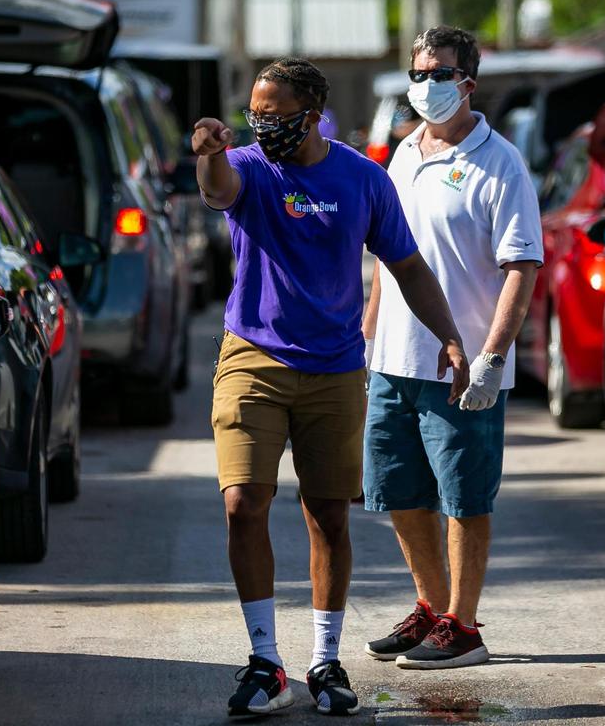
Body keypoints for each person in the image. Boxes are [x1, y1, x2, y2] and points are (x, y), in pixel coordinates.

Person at [193, 57, 469, 717]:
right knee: (242, 503)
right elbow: (217, 189)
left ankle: (324, 660)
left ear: (313, 116)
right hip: (253, 358)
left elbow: (407, 265)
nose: (262, 125)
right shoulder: (251, 167)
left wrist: (451, 337)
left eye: (277, 114)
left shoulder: (361, 178)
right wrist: (208, 154)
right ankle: (265, 661)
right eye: (255, 113)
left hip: (337, 368)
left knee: (329, 516)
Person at [361, 26, 543, 670]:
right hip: (393, 360)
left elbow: (522, 265)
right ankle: (433, 609)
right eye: (419, 72)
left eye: (440, 73)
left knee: (464, 496)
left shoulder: (502, 163)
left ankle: (465, 627)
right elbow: (390, 254)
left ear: (468, 81)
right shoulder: (404, 152)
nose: (427, 85)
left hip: (463, 365)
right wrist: (370, 328)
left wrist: (493, 356)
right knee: (399, 492)